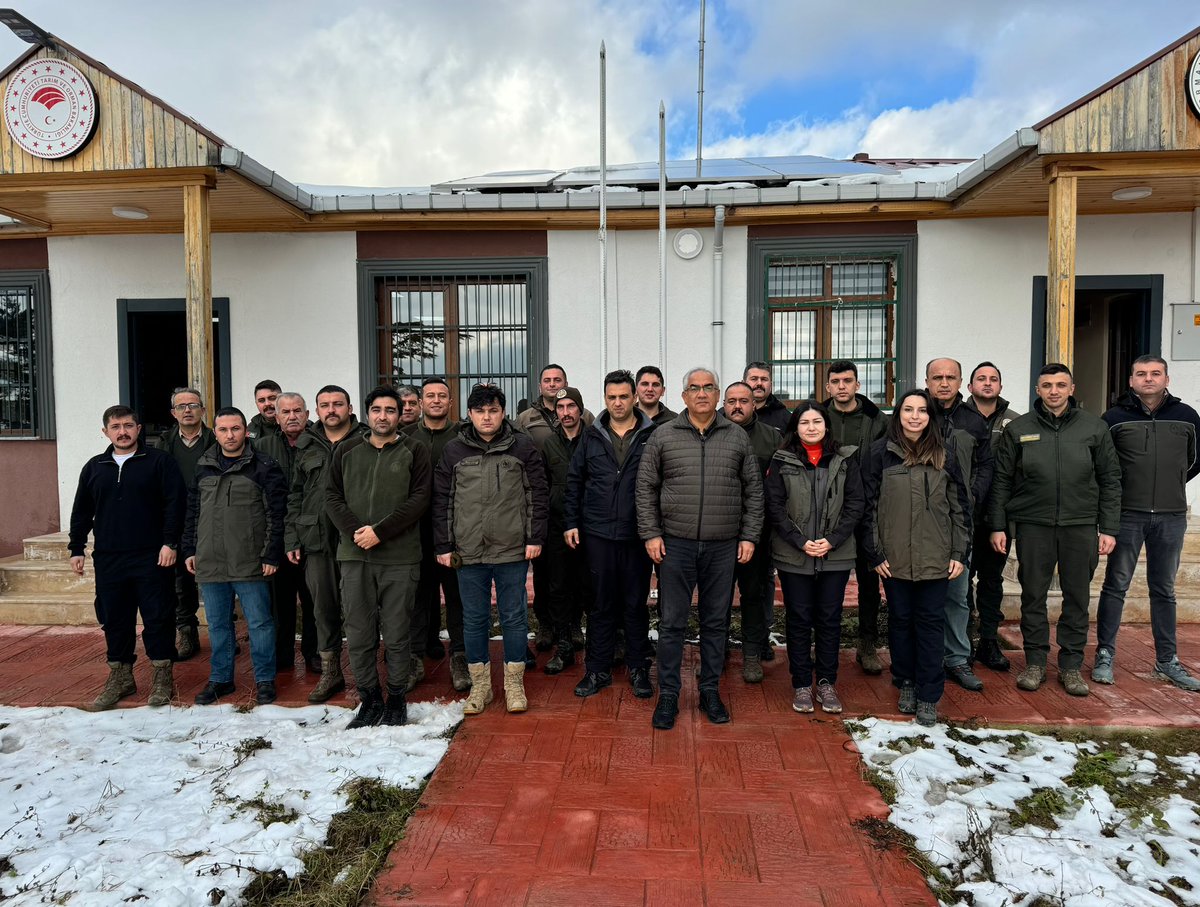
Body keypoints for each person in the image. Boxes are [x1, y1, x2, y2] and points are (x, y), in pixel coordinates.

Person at [636, 367, 764, 730]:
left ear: (718, 394)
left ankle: (709, 690)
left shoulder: (737, 437)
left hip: (723, 546)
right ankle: (670, 695)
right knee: (673, 622)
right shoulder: (663, 436)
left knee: (715, 622)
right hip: (675, 544)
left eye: (709, 387)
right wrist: (651, 533)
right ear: (684, 396)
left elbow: (753, 491)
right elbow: (645, 488)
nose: (702, 393)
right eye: (695, 388)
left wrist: (749, 535)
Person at [989, 364, 1122, 697]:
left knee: (1077, 597)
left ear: (1072, 389)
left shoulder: (1095, 428)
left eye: (1060, 385)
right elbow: (1002, 480)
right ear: (1037, 390)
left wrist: (1108, 527)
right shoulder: (1018, 429)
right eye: (1047, 385)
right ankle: (1035, 662)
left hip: (1080, 525)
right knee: (1033, 596)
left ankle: (1071, 666)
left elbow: (1110, 479)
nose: (1054, 391)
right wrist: (997, 525)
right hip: (1034, 524)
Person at [434, 384, 549, 715]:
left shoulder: (522, 447)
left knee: (514, 617)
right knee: (474, 619)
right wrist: (444, 544)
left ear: (503, 413)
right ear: (469, 414)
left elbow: (536, 494)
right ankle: (481, 686)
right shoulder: (455, 451)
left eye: (494, 410)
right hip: (468, 553)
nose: (487, 417)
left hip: (511, 550)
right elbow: (443, 500)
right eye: (480, 411)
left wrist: (534, 537)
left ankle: (514, 684)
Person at [862, 389, 971, 727]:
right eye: (908, 409)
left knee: (930, 625)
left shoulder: (944, 454)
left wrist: (959, 552)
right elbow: (868, 508)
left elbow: (960, 508)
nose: (914, 416)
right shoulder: (881, 453)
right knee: (900, 622)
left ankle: (928, 694)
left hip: (937, 560)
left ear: (929, 416)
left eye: (921, 410)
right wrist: (875, 553)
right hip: (894, 560)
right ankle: (905, 682)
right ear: (898, 415)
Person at [326, 385, 431, 728]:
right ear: (367, 414)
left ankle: (397, 697)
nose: (383, 416)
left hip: (399, 558)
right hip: (355, 556)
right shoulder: (346, 450)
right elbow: (331, 496)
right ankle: (370, 697)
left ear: (400, 415)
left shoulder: (415, 450)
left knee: (398, 632)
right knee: (358, 632)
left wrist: (380, 532)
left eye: (390, 410)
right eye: (377, 410)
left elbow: (418, 500)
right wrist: (358, 531)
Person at [68, 405, 186, 710]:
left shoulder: (160, 462)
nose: (123, 431)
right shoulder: (95, 467)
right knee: (113, 618)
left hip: (152, 556)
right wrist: (77, 547)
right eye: (116, 426)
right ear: (105, 431)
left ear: (139, 428)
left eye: (128, 425)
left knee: (158, 615)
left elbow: (175, 504)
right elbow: (82, 510)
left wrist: (170, 543)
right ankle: (121, 676)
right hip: (109, 557)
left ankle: (162, 676)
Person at [1095, 356, 1200, 691]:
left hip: (1170, 515)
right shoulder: (1113, 419)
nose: (1149, 379)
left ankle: (1167, 660)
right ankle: (1104, 655)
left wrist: (1173, 481)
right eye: (1141, 374)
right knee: (1116, 585)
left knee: (1164, 590)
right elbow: (1104, 466)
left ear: (1166, 378)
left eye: (1155, 374)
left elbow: (1195, 459)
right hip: (1127, 514)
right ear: (1131, 380)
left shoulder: (1187, 417)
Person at [764, 400, 864, 715]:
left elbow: (855, 503)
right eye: (805, 422)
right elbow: (775, 506)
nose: (811, 427)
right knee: (798, 619)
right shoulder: (782, 460)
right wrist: (800, 541)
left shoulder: (845, 458)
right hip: (795, 554)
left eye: (817, 421)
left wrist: (831, 541)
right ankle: (801, 684)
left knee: (830, 620)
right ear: (796, 428)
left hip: (835, 554)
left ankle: (826, 682)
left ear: (826, 425)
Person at [183, 407, 287, 706]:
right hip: (211, 560)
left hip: (250, 560)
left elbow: (276, 514)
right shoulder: (203, 466)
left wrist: (271, 553)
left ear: (246, 431)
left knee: (260, 624)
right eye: (224, 430)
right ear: (214, 432)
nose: (230, 435)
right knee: (217, 624)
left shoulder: (264, 466)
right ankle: (221, 679)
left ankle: (265, 679)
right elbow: (193, 511)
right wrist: (190, 548)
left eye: (236, 429)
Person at [566, 370, 658, 699]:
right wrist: (571, 521)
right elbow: (575, 481)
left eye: (623, 396)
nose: (617, 403)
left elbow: (662, 484)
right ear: (604, 399)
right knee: (600, 605)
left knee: (635, 604)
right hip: (598, 534)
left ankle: (638, 669)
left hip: (637, 535)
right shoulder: (591, 436)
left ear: (635, 397)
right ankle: (597, 670)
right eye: (611, 397)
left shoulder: (653, 435)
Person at [285, 384, 364, 703]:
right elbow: (295, 494)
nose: (332, 410)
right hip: (316, 540)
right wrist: (292, 535)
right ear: (316, 411)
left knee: (360, 608)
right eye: (325, 405)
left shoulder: (365, 439)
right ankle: (331, 671)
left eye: (338, 404)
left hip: (356, 539)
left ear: (349, 407)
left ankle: (364, 672)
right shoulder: (305, 444)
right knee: (323, 608)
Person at [926, 358, 993, 694]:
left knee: (957, 595)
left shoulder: (974, 421)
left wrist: (972, 498)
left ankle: (956, 658)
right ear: (927, 380)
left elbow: (985, 466)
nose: (944, 383)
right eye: (937, 377)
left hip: (960, 522)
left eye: (950, 377)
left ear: (960, 382)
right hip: (921, 523)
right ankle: (923, 658)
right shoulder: (917, 413)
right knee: (920, 597)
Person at [403, 377, 470, 692]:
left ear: (451, 402)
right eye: (429, 396)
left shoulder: (463, 437)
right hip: (415, 532)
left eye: (442, 395)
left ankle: (460, 656)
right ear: (419, 402)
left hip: (455, 532)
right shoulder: (405, 437)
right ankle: (415, 657)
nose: (436, 400)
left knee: (457, 597)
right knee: (417, 597)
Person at [823, 360, 890, 675]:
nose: (841, 387)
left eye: (847, 381)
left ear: (858, 385)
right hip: (827, 513)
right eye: (835, 381)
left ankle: (867, 645)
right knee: (822, 582)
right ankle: (823, 644)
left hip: (867, 510)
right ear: (828, 387)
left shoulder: (878, 421)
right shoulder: (818, 417)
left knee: (868, 581)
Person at [963, 361, 1021, 672]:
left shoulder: (1015, 422)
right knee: (960, 582)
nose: (987, 383)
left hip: (999, 519)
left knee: (991, 580)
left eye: (993, 379)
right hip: (963, 516)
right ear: (969, 386)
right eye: (981, 379)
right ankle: (964, 641)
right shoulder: (959, 419)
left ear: (1000, 386)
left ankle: (988, 640)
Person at [255, 392, 318, 674]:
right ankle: (282, 655)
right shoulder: (262, 447)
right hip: (277, 536)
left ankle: (314, 653)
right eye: (286, 412)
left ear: (307, 414)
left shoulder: (319, 442)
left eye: (297, 411)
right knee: (280, 602)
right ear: (276, 417)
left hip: (313, 534)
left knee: (314, 599)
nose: (292, 416)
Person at [722, 380, 781, 682]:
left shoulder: (772, 439)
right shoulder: (711, 431)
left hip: (756, 534)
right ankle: (716, 651)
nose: (737, 406)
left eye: (743, 401)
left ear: (754, 403)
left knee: (753, 595)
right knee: (716, 597)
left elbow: (778, 488)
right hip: (717, 532)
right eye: (731, 400)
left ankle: (751, 654)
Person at [153, 386, 215, 661]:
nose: (188, 410)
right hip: (178, 518)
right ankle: (187, 633)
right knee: (182, 581)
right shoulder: (164, 444)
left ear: (203, 409)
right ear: (173, 413)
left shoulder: (216, 439)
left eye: (193, 405)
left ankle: (220, 633)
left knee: (217, 577)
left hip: (213, 516)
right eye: (182, 406)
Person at [539, 386, 592, 674]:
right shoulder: (548, 443)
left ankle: (593, 640)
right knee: (558, 586)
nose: (566, 413)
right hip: (558, 526)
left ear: (580, 409)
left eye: (571, 406)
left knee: (589, 586)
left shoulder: (595, 440)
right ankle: (565, 646)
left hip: (590, 526)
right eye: (560, 408)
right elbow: (543, 482)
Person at [515, 363, 595, 449]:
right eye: (547, 380)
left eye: (557, 380)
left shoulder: (585, 415)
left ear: (566, 385)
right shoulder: (524, 419)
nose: (552, 384)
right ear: (540, 387)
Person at [743, 361, 791, 431]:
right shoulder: (727, 413)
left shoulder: (785, 418)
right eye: (754, 379)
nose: (759, 383)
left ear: (771, 385)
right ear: (743, 383)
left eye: (764, 379)